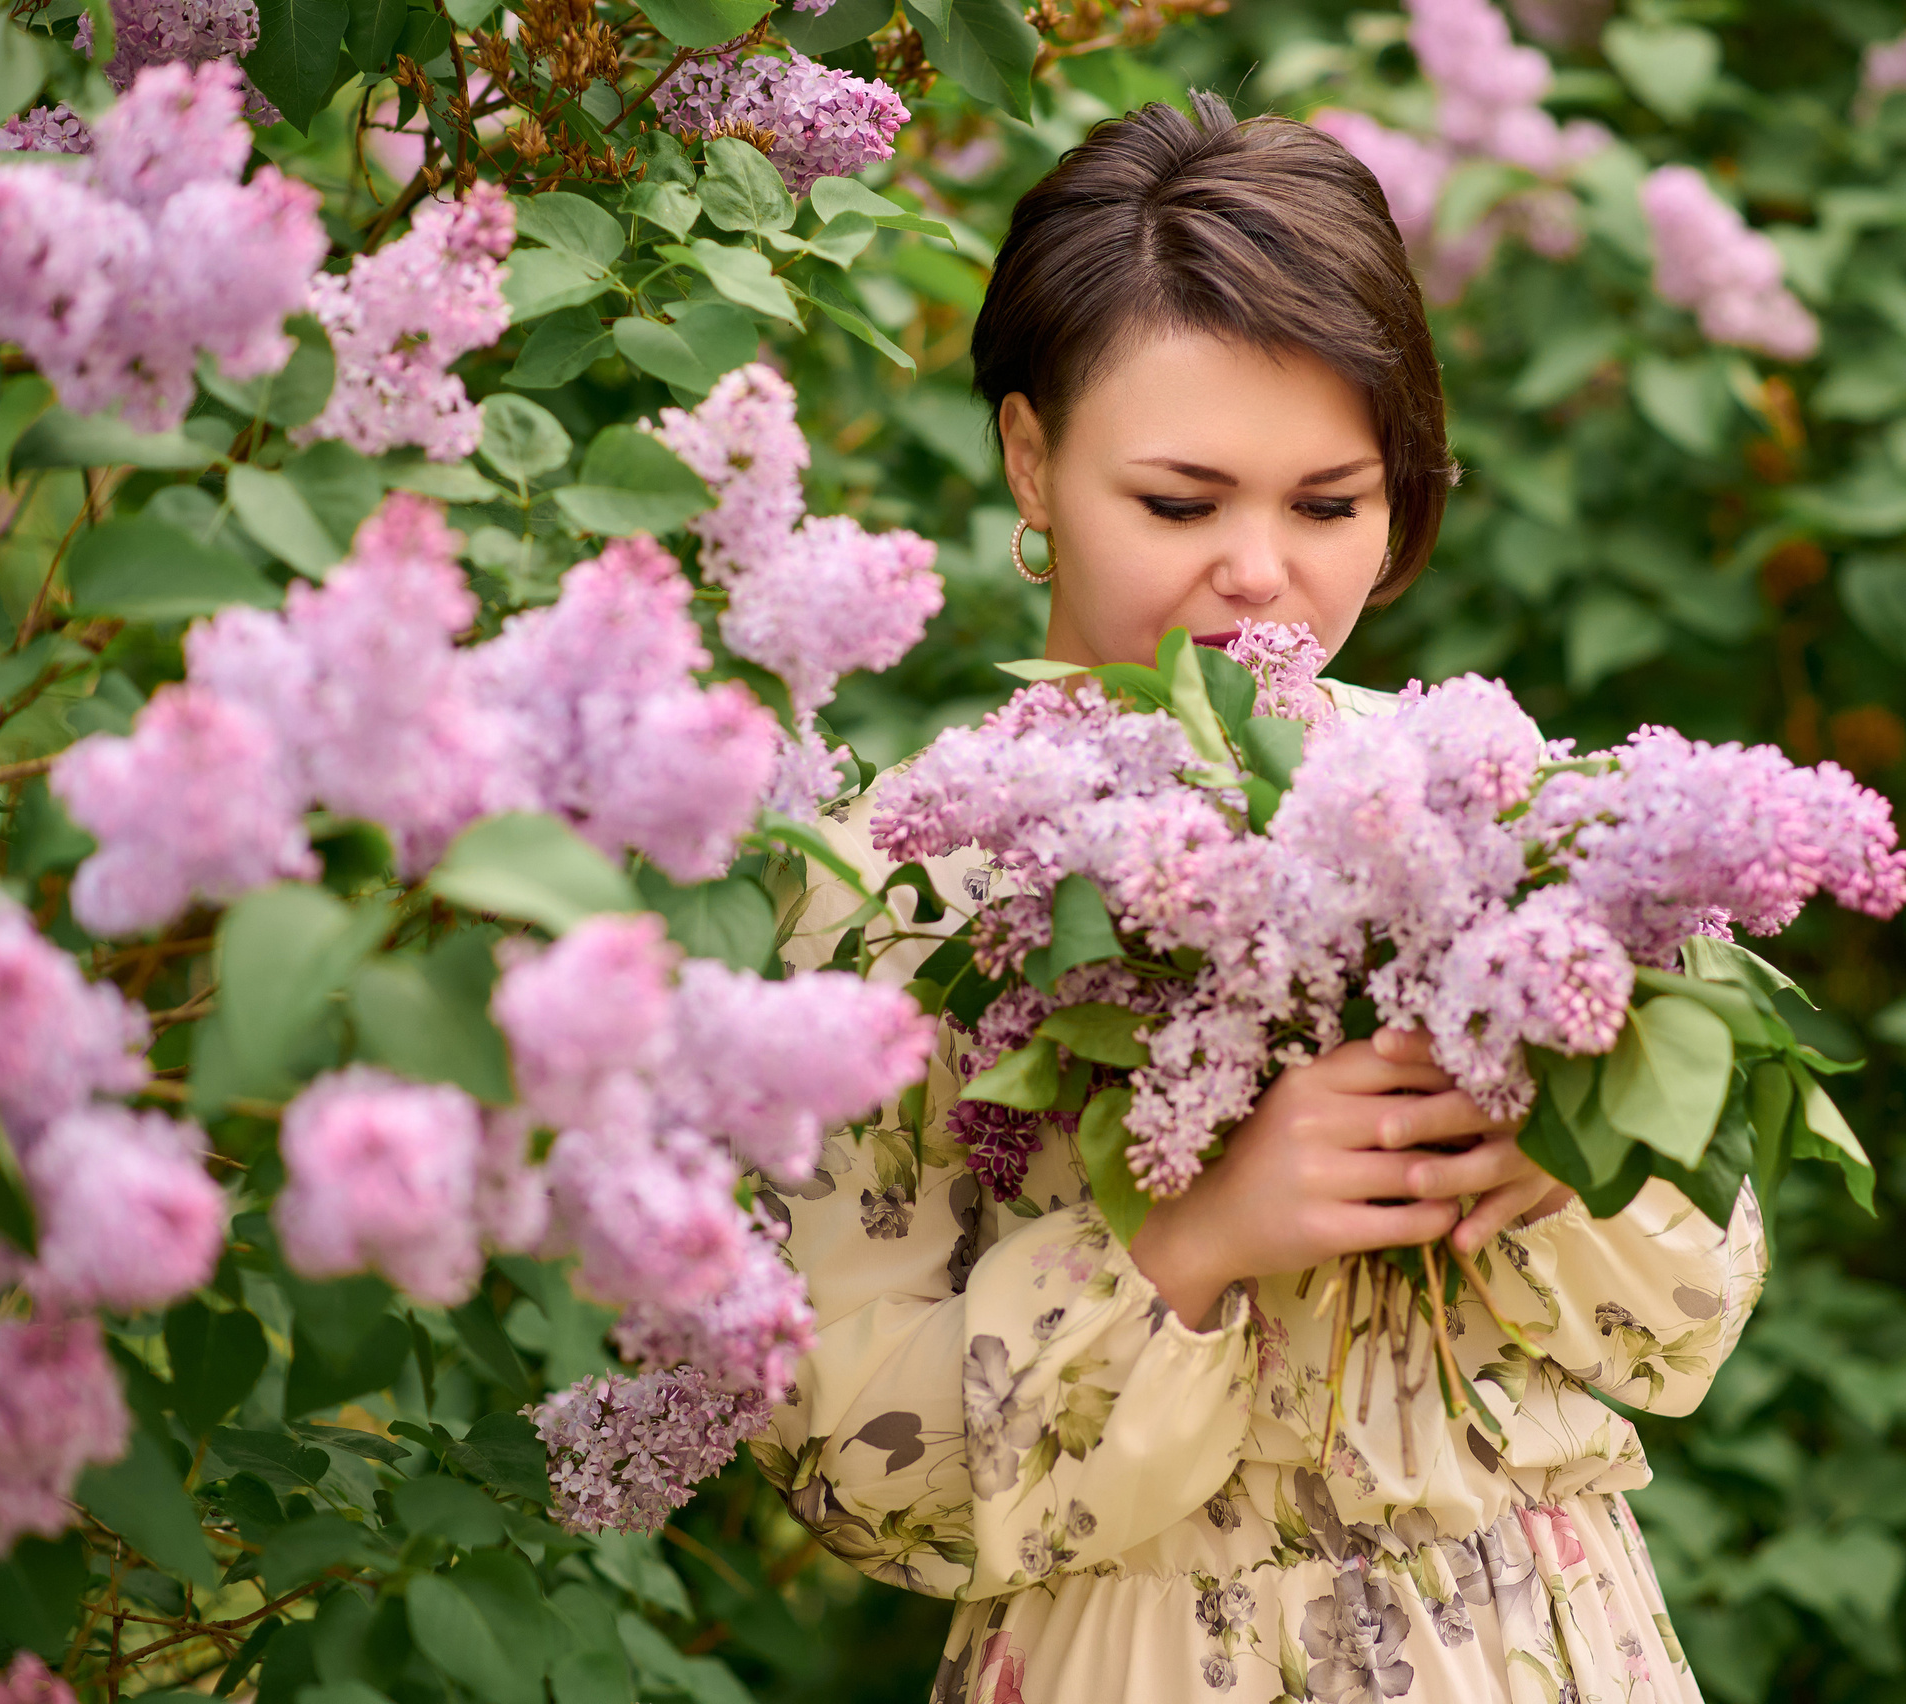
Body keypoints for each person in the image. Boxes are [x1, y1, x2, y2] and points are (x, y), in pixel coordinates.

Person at [751, 94, 1766, 1704]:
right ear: (1030, 454)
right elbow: (852, 1476)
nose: (1257, 573)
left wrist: (1565, 1159)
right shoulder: (908, 886)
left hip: (1541, 1646)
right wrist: (1191, 1243)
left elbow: (1692, 1327)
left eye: (1327, 504)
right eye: (1179, 502)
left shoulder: (1503, 811)